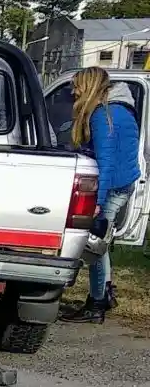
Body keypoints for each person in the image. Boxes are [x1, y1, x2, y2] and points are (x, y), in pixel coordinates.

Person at [59, 67, 141, 324]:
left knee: (95, 246)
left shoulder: (103, 115)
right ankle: (103, 293)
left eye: (77, 86)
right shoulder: (120, 109)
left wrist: (99, 201)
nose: (74, 92)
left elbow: (105, 163)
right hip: (123, 183)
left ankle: (96, 304)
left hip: (112, 186)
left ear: (90, 86)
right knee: (100, 245)